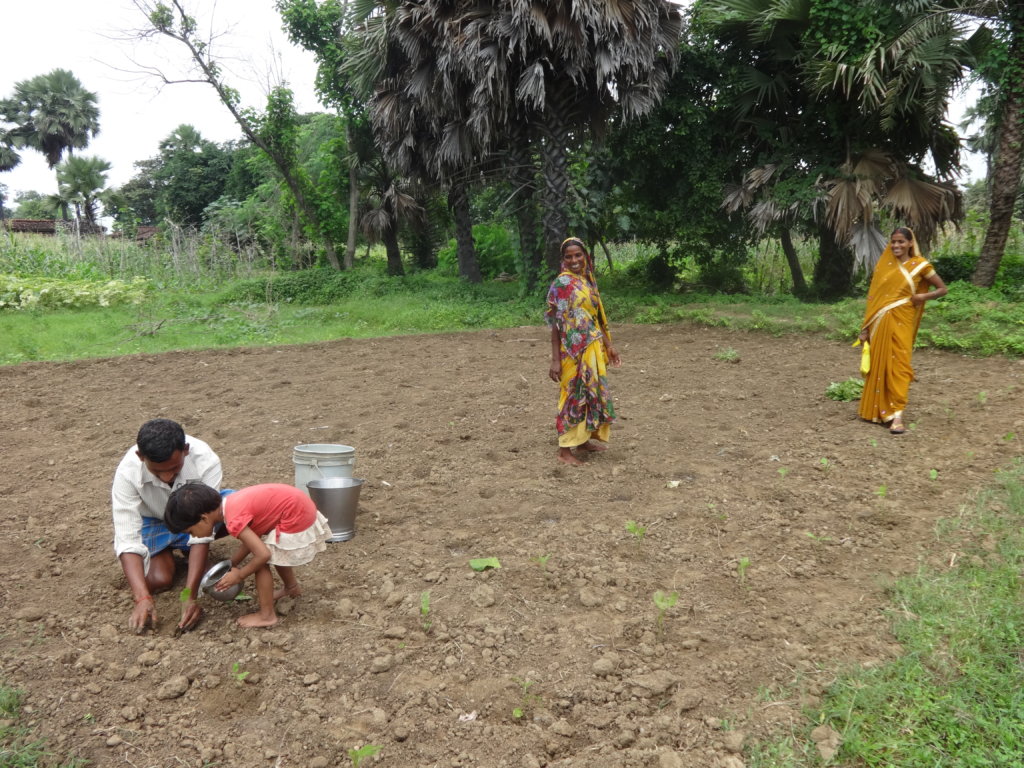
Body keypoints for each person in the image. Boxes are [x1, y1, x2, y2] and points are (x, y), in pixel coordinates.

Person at [165, 482, 331, 628]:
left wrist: (240, 575)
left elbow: (263, 555)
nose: (193, 537)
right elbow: (253, 539)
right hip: (299, 507)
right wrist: (232, 563)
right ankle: (291, 588)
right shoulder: (231, 504)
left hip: (296, 517)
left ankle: (267, 616)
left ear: (203, 518)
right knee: (272, 550)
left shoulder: (233, 520)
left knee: (261, 564)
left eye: (191, 532)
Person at [112, 419, 223, 633]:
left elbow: (204, 524)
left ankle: (191, 555)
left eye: (174, 468)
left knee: (231, 509)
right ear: (140, 456)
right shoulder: (127, 472)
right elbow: (127, 537)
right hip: (153, 521)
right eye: (157, 471)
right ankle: (180, 554)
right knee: (158, 579)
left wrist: (189, 596)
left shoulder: (205, 461)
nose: (166, 477)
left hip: (194, 520)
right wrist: (142, 598)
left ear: (186, 450)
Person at [857, 226, 948, 433]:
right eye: (893, 241)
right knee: (880, 365)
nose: (896, 245)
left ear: (910, 243)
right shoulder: (884, 266)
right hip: (879, 323)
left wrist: (922, 296)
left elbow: (942, 289)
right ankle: (879, 410)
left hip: (903, 319)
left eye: (901, 242)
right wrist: (865, 329)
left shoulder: (921, 265)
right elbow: (874, 300)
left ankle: (897, 415)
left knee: (900, 365)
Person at [546, 237, 621, 465]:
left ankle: (583, 440)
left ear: (585, 256)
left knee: (590, 394)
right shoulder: (561, 284)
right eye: (568, 256)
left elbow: (594, 320)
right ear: (563, 260)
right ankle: (564, 450)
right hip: (571, 352)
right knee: (572, 395)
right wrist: (555, 360)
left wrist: (609, 346)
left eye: (578, 255)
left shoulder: (587, 282)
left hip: (592, 347)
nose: (574, 260)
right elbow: (556, 326)